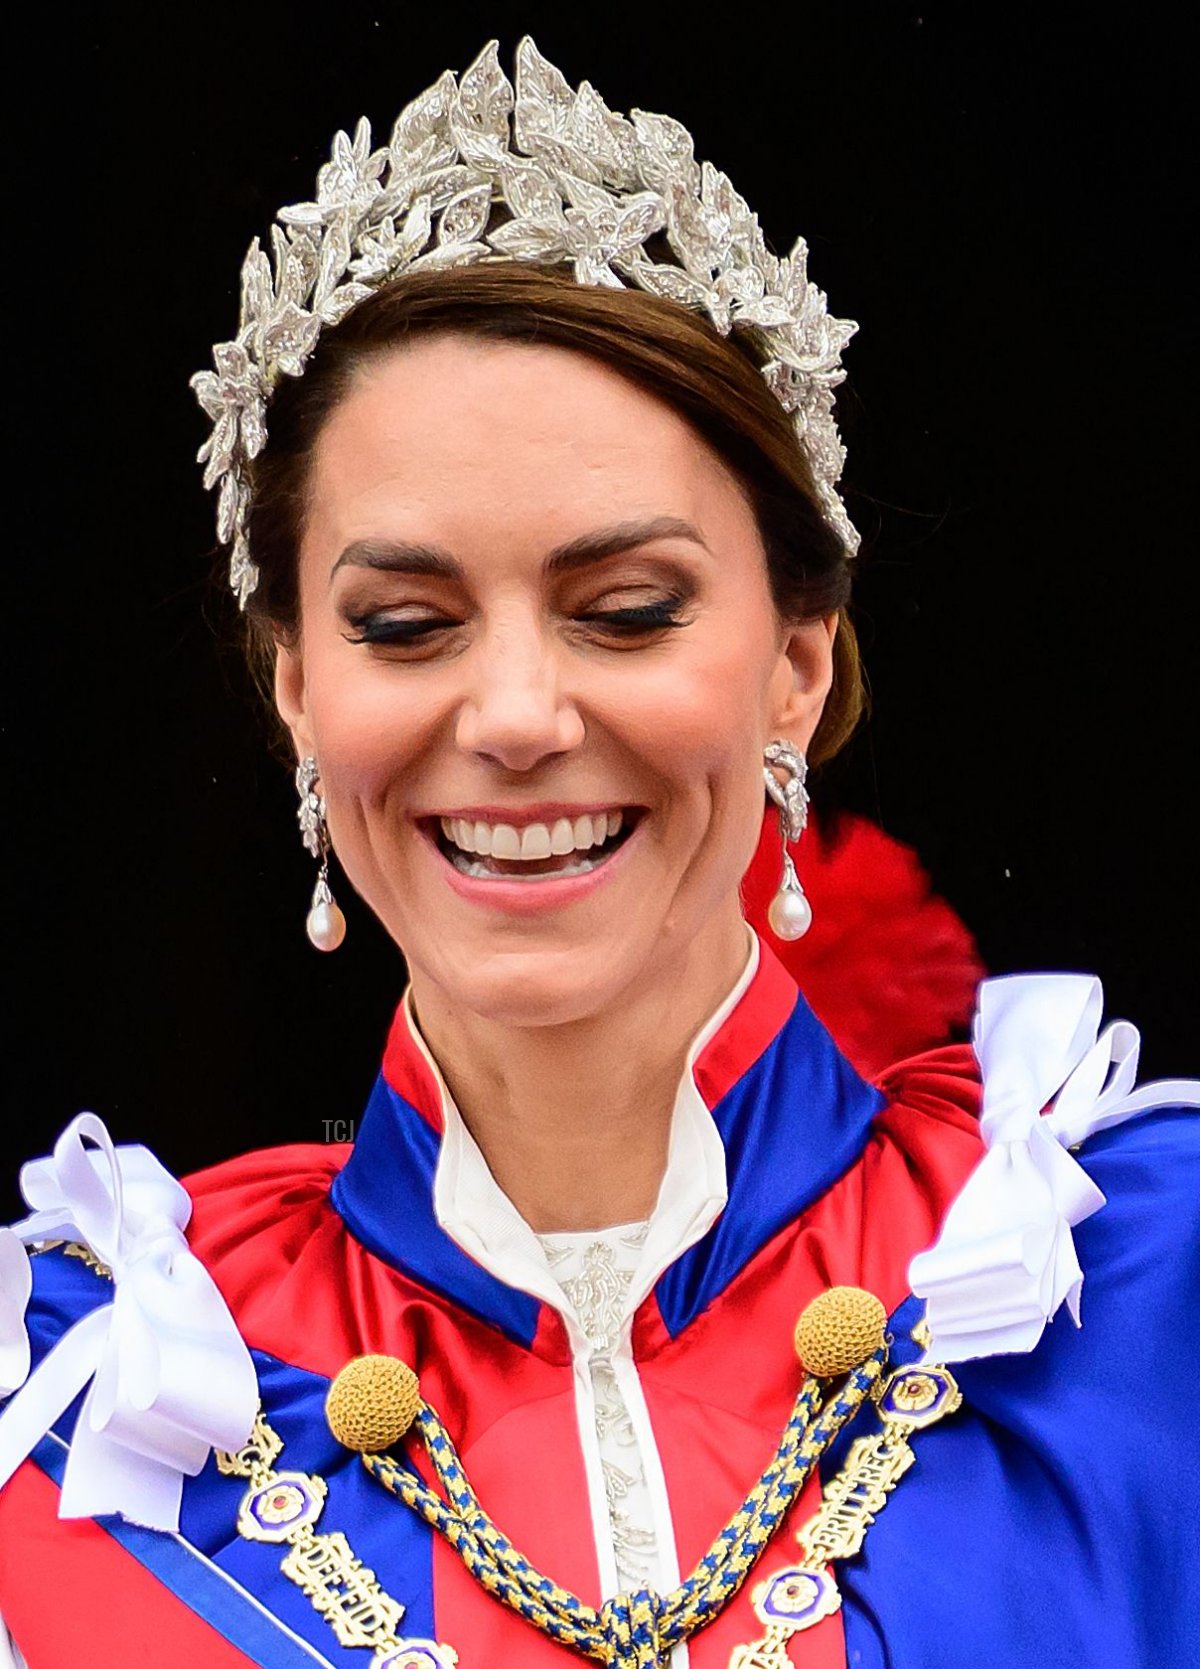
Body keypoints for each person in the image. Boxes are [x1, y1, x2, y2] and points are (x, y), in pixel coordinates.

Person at [0, 37, 1195, 1669]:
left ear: (800, 661)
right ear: (299, 692)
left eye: (625, 610)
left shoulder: (1139, 1280)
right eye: (404, 625)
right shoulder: (86, 1392)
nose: (512, 714)